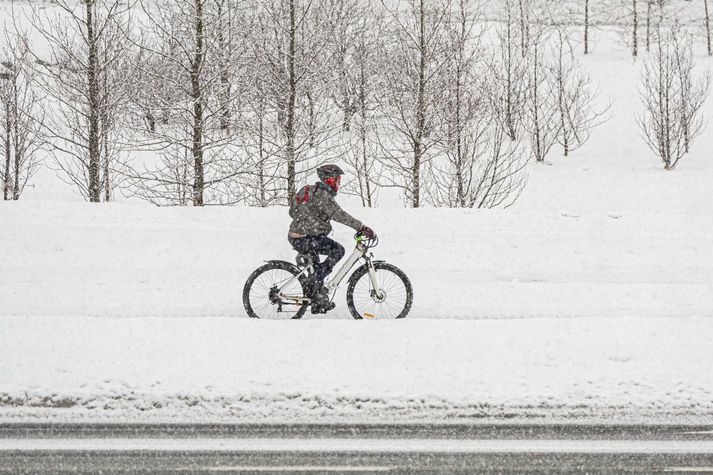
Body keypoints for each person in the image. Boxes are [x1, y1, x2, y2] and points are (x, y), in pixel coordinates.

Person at [288, 164, 375, 314]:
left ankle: (317, 299)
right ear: (330, 180)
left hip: (297, 237)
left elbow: (292, 211)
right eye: (338, 180)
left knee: (317, 270)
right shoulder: (323, 196)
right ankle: (314, 282)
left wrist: (309, 222)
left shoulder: (307, 189)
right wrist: (361, 227)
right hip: (306, 238)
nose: (339, 184)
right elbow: (339, 215)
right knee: (338, 250)